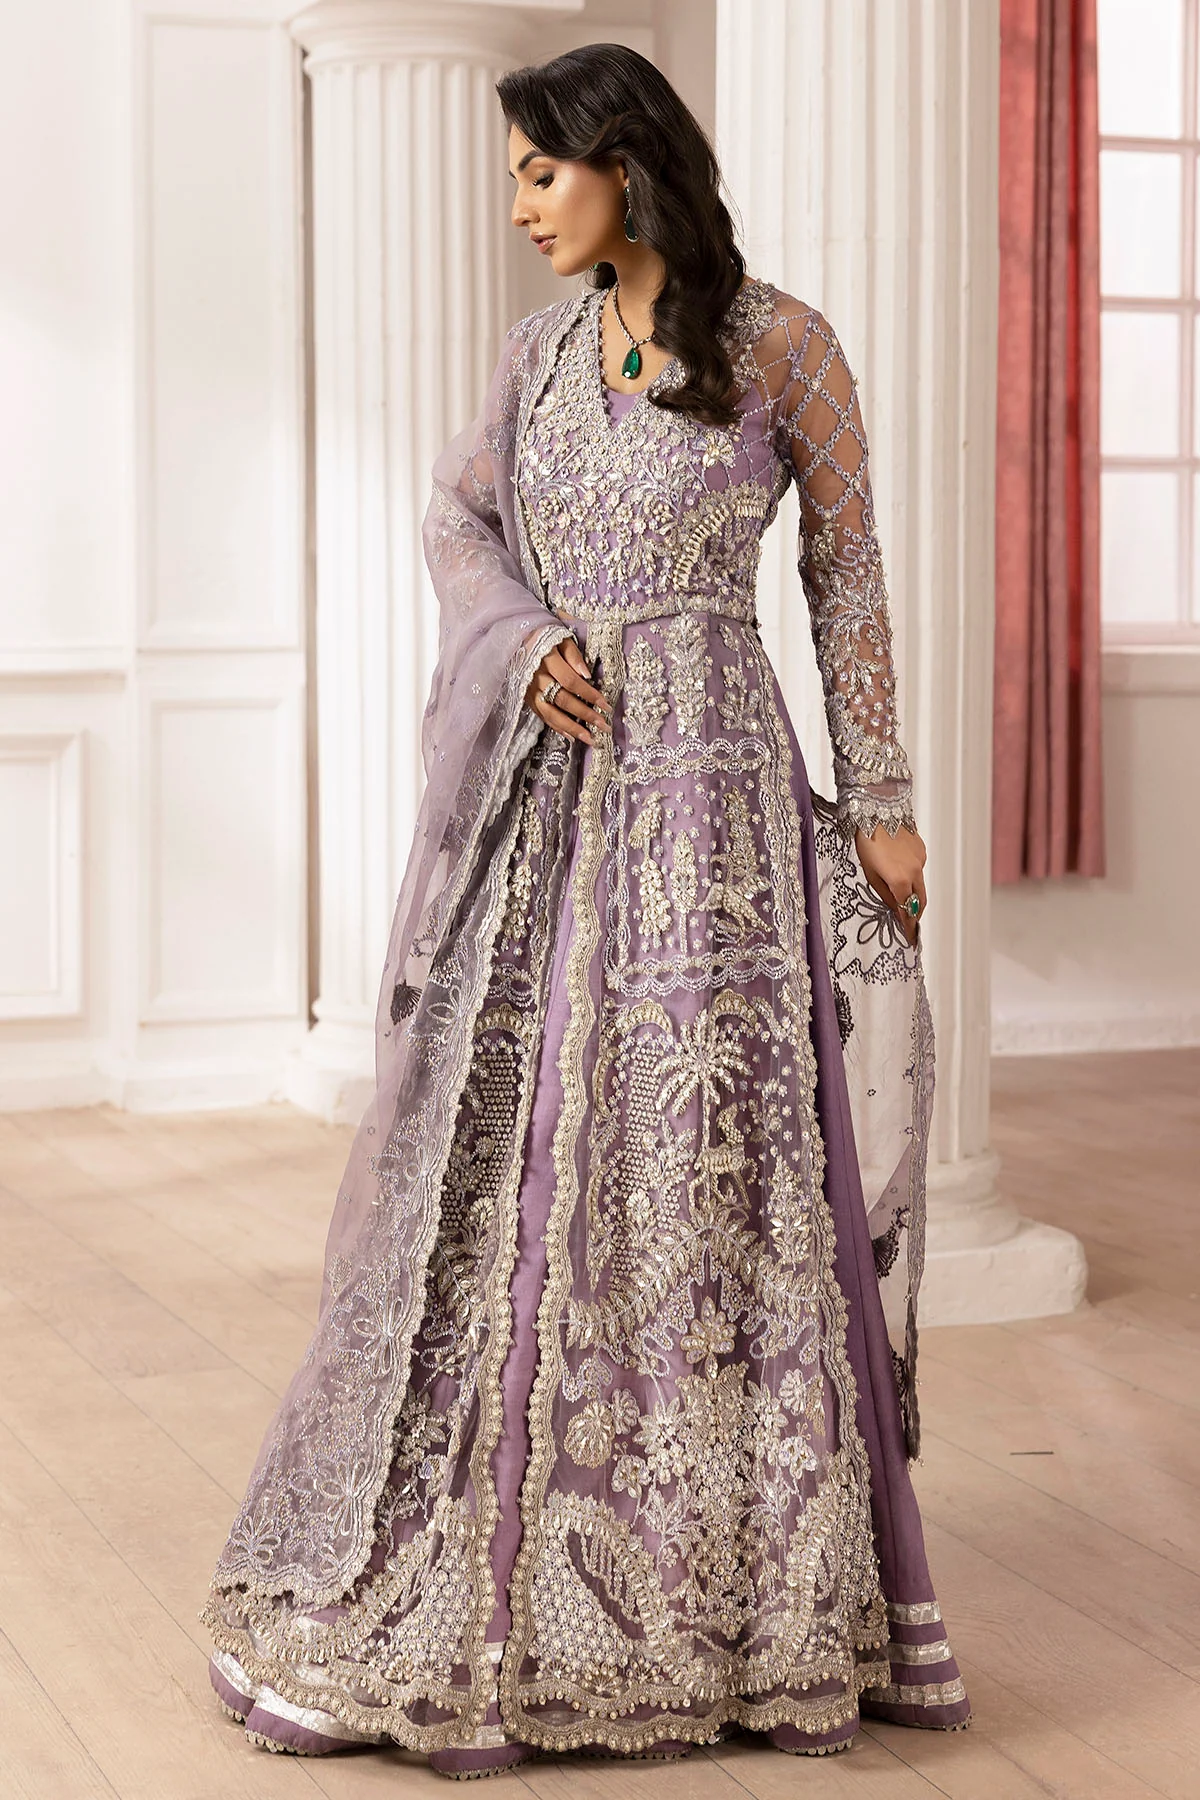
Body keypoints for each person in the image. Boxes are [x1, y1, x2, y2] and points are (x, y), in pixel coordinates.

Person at [200, 41, 971, 1776]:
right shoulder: (537, 361)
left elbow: (846, 576)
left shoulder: (781, 346)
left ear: (626, 159)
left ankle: (742, 1607)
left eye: (541, 173)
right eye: (515, 178)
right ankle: (507, 1586)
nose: (522, 207)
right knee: (535, 1168)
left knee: (714, 1179)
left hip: (721, 819)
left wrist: (885, 802)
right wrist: (525, 637)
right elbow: (455, 519)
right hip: (560, 814)